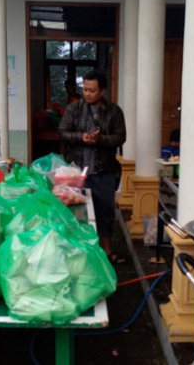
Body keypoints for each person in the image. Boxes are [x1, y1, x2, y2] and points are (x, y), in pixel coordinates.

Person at [59, 70, 127, 264]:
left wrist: (100, 139)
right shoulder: (74, 109)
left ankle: (106, 251)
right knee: (76, 211)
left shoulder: (114, 111)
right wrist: (82, 137)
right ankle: (78, 252)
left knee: (105, 211)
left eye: (92, 90)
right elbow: (63, 132)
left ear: (103, 91)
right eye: (85, 89)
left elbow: (121, 137)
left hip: (103, 169)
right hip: (76, 170)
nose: (87, 93)